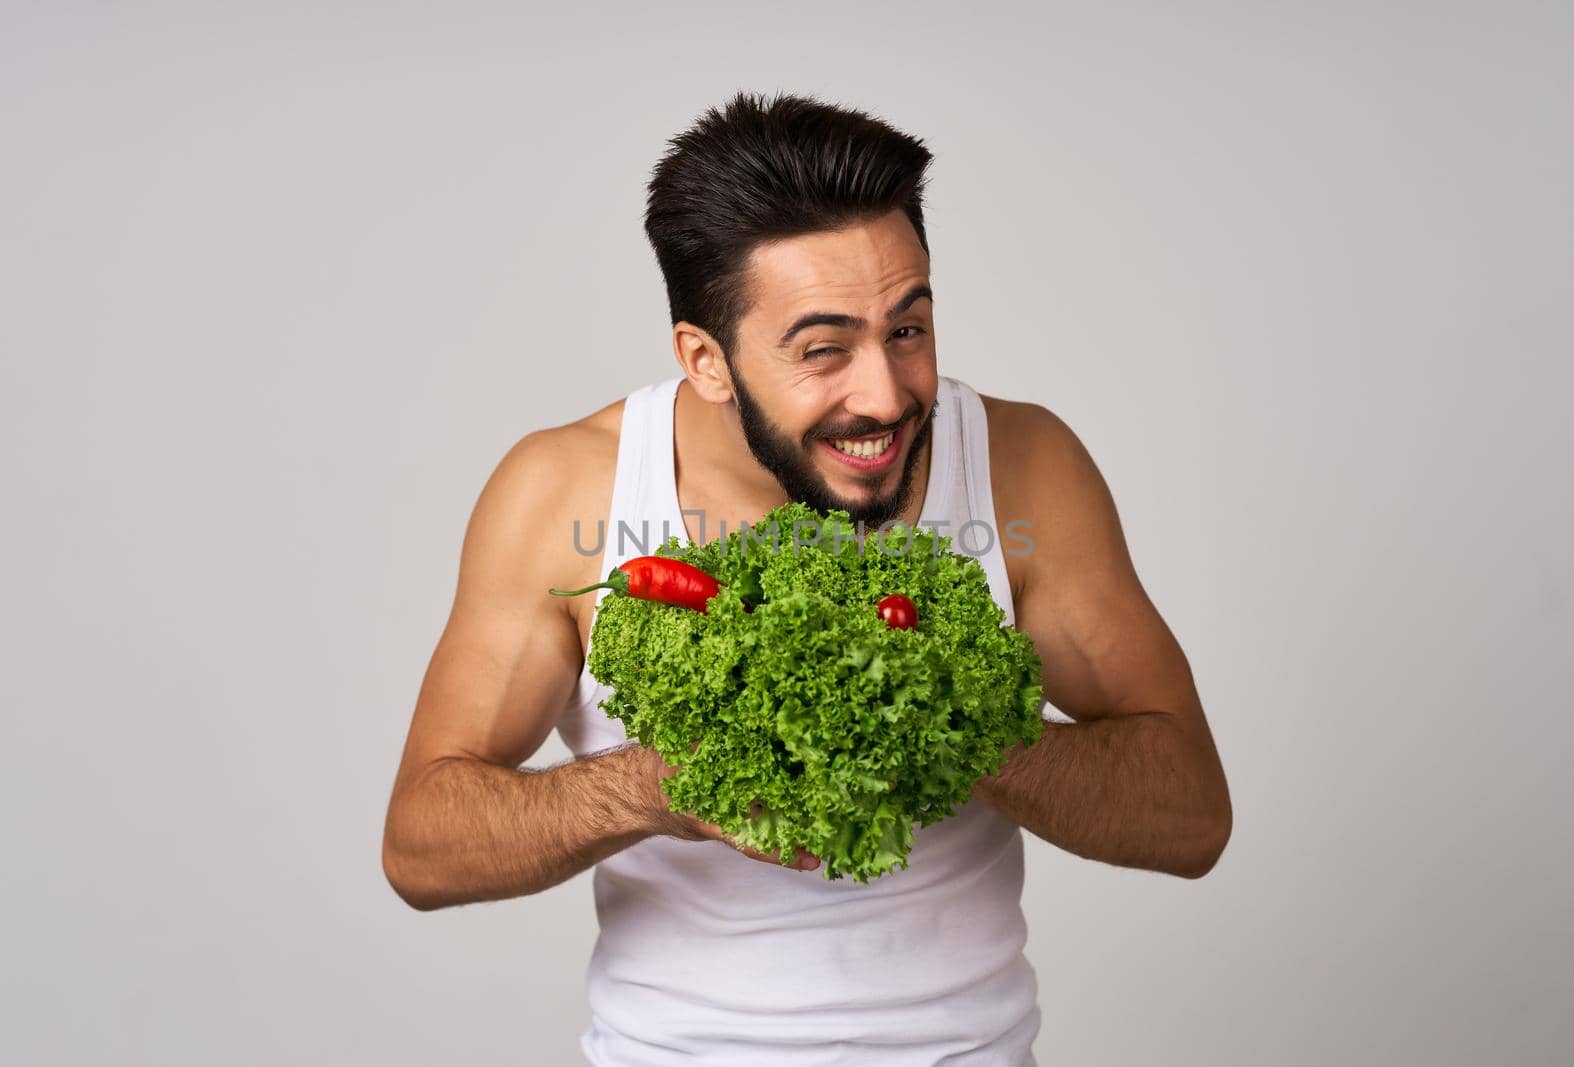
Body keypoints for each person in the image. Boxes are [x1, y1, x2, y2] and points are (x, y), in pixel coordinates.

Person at [381, 91, 1231, 1065]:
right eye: (823, 350)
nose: (883, 393)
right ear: (706, 359)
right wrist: (656, 786)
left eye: (907, 328)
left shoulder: (1020, 462)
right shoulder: (566, 488)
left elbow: (1189, 814)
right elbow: (421, 843)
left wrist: (951, 725)